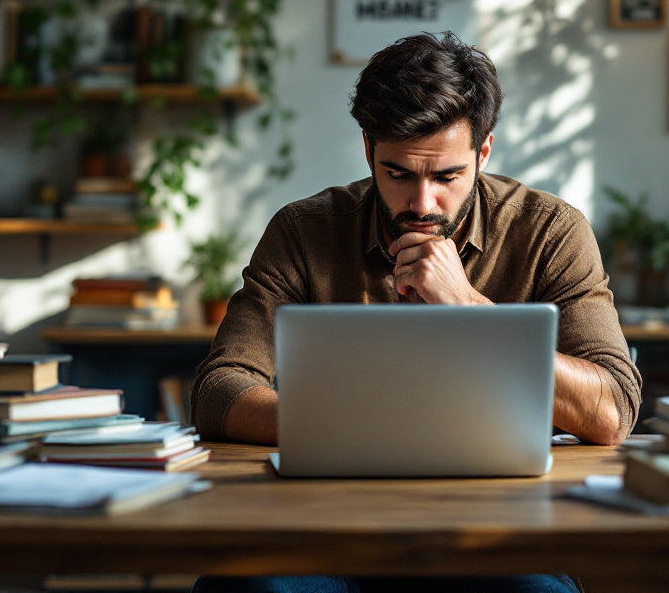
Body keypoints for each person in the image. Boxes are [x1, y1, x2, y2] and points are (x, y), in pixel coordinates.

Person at [189, 32, 641, 593]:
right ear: (368, 151)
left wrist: (470, 309)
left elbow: (614, 410)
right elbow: (219, 391)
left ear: (483, 152)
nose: (422, 204)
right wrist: (360, 432)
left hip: (493, 535)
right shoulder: (304, 232)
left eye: (447, 176)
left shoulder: (550, 232)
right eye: (398, 173)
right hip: (323, 531)